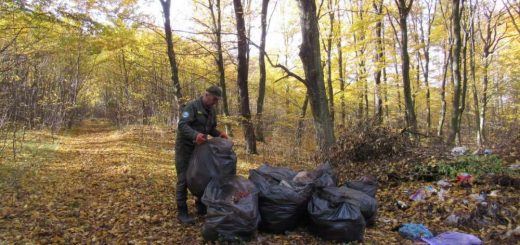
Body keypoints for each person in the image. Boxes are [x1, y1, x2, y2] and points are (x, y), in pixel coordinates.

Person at [174, 85, 229, 224]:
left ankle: (201, 206)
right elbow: (182, 125)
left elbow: (210, 128)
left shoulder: (211, 110)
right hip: (185, 148)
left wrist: (219, 134)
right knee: (183, 179)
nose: (215, 102)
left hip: (200, 149)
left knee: (203, 177)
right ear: (206, 95)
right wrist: (195, 135)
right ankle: (182, 212)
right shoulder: (192, 107)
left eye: (217, 100)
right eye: (214, 99)